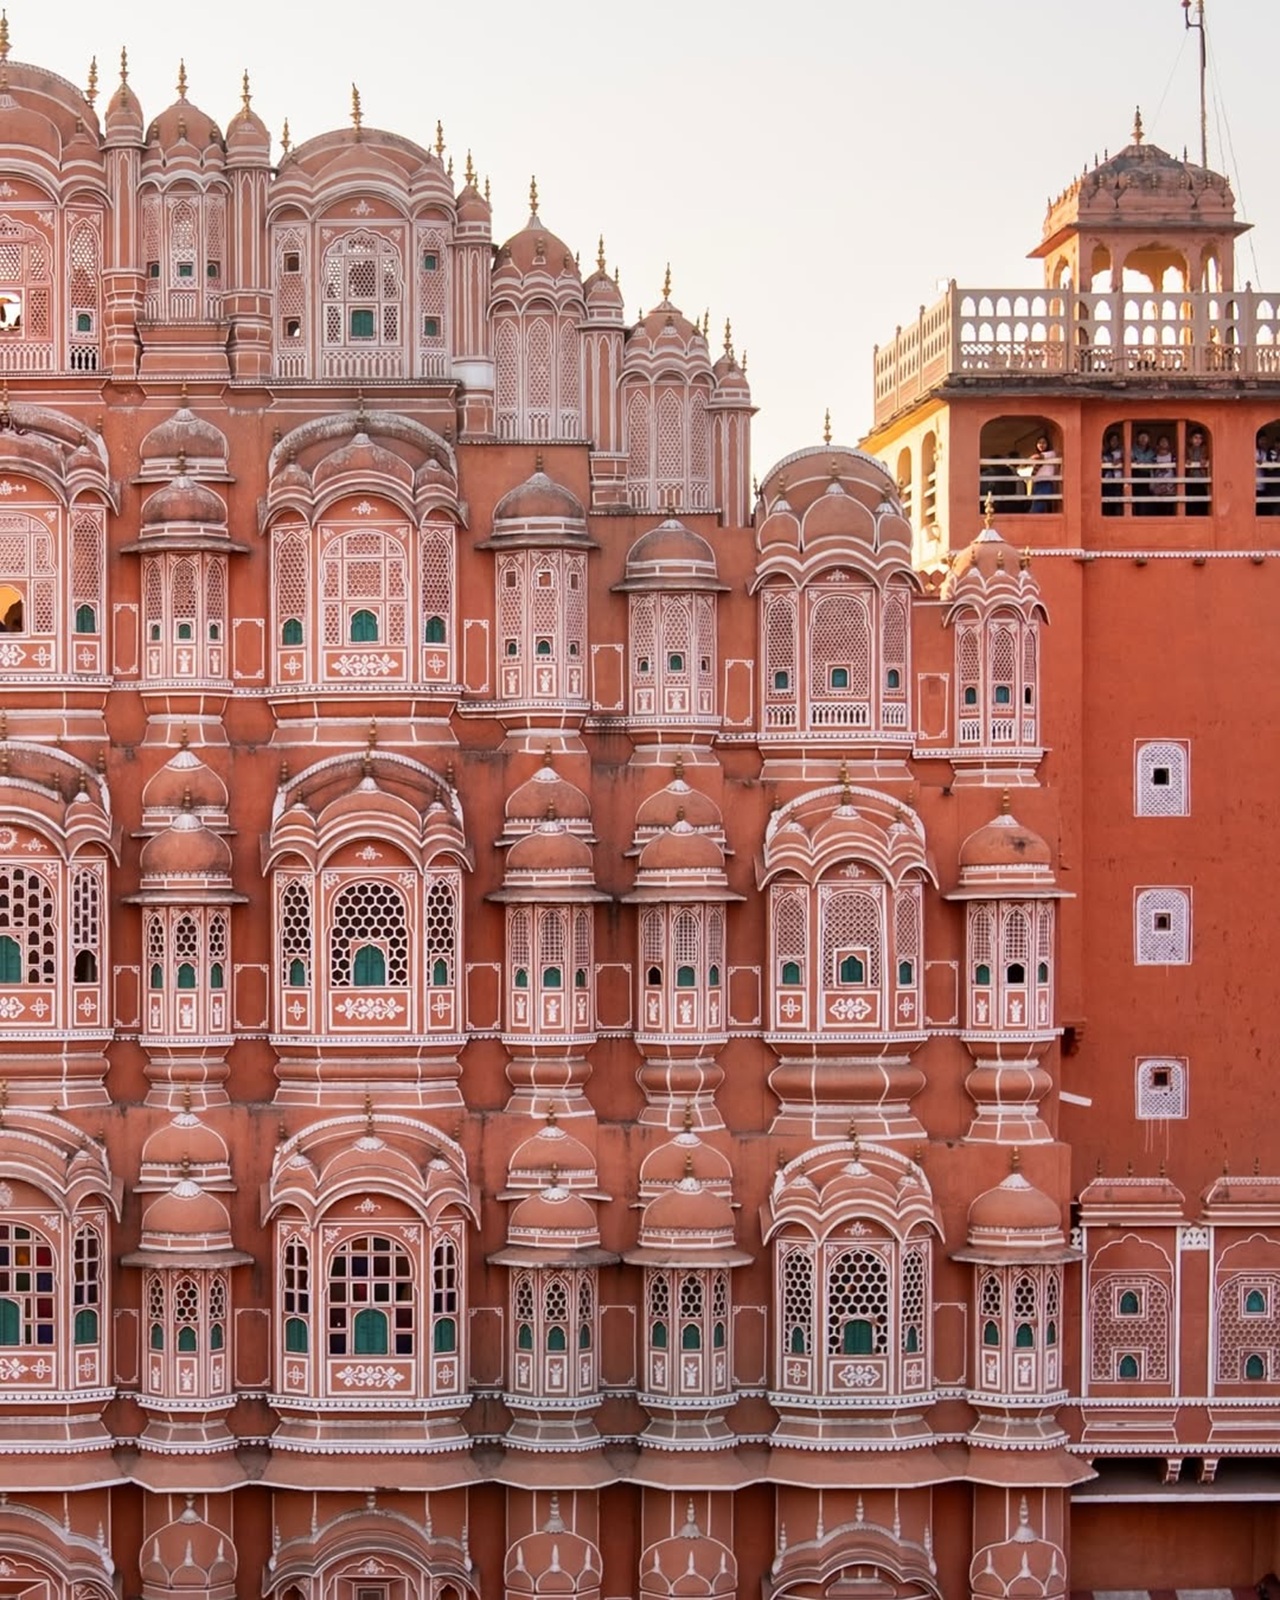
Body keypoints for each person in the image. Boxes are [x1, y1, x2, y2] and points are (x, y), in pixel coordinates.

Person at [1023, 434, 1060, 513]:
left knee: (1038, 507)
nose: (1041, 445)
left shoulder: (1051, 453)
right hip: (1037, 484)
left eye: (1044, 443)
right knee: (1037, 505)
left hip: (1046, 483)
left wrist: (1027, 460)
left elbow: (1038, 457)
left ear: (1048, 444)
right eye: (1039, 443)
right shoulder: (1037, 458)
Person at [1185, 427, 1210, 515]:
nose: (1198, 440)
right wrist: (1186, 461)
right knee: (1190, 505)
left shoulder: (1206, 450)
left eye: (1200, 438)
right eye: (1195, 437)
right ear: (1191, 439)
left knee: (1201, 505)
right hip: (1190, 481)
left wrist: (1206, 460)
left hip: (1202, 481)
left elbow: (1211, 459)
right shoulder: (1186, 450)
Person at [1130, 428, 1156, 515]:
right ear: (1137, 438)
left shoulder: (1152, 451)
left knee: (1147, 500)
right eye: (1141, 437)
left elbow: (1155, 462)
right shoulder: (1132, 449)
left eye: (1145, 437)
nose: (1143, 439)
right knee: (1136, 500)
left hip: (1147, 476)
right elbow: (1130, 459)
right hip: (1135, 475)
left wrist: (1144, 463)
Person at [1101, 431, 1124, 516]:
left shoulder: (1123, 453)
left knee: (1118, 506)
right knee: (1107, 506)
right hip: (1108, 483)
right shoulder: (1105, 454)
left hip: (1119, 482)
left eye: (1116, 440)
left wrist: (1122, 460)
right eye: (1112, 440)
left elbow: (1132, 460)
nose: (1115, 442)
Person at [1151, 434, 1177, 509]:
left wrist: (1174, 487)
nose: (1164, 443)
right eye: (1161, 441)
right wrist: (1153, 489)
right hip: (1157, 490)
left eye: (1166, 441)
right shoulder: (1154, 459)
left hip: (1171, 490)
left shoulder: (1173, 458)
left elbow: (1177, 473)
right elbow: (1152, 474)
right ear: (1157, 445)